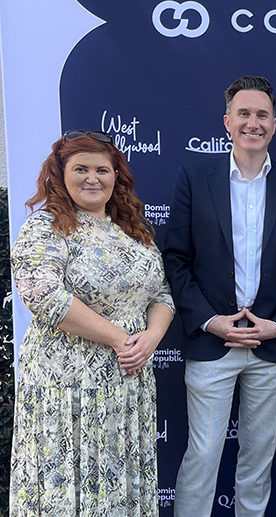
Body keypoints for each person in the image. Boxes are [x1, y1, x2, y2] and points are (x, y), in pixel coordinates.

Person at [163, 75, 276, 517]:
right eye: (245, 114)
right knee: (203, 455)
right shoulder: (195, 178)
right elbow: (175, 259)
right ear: (227, 122)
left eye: (262, 115)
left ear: (275, 123)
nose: (254, 122)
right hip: (212, 343)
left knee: (258, 462)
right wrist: (211, 320)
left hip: (273, 348)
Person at [9, 130, 174, 516]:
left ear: (117, 176)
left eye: (102, 169)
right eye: (80, 169)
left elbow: (162, 293)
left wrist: (149, 338)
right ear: (60, 174)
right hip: (67, 389)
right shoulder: (45, 227)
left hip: (126, 385)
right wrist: (122, 339)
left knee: (121, 486)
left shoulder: (133, 231)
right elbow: (42, 293)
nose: (92, 178)